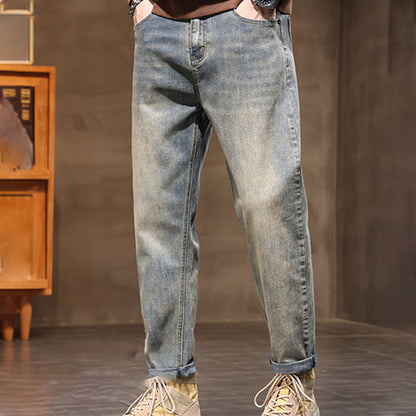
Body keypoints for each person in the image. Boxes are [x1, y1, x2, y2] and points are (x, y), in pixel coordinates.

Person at [125, 0, 319, 415]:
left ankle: (296, 382)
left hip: (245, 27)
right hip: (159, 32)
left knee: (268, 206)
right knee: (158, 219)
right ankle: (173, 388)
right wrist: (139, 5)